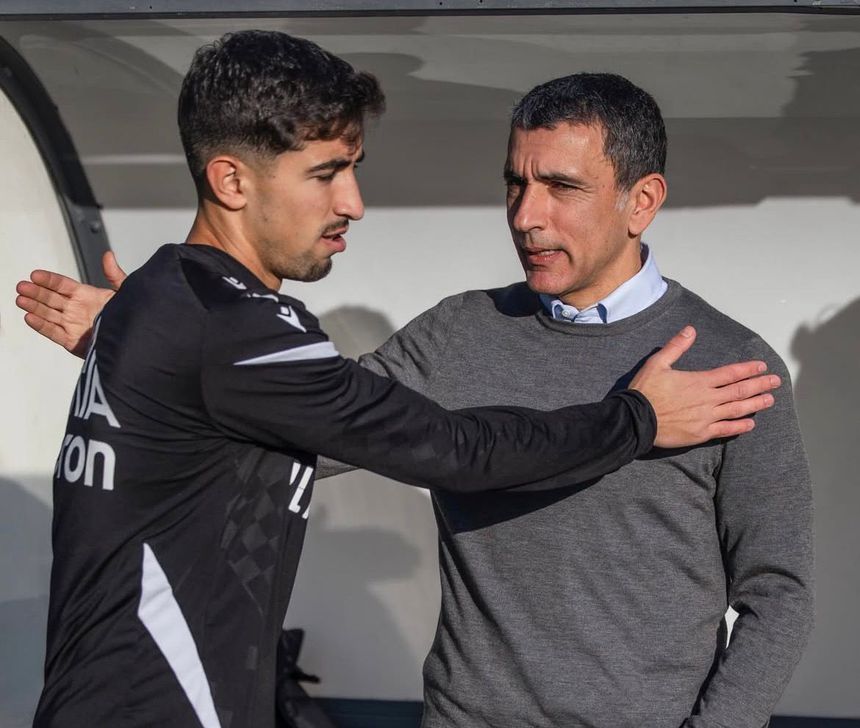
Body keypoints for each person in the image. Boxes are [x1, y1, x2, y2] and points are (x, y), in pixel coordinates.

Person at [15, 41, 787, 728]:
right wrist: (637, 419)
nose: (526, 215)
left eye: (561, 187)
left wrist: (153, 350)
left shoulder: (733, 365)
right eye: (515, 182)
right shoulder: (441, 332)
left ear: (641, 200)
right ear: (231, 180)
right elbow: (435, 448)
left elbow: (778, 594)